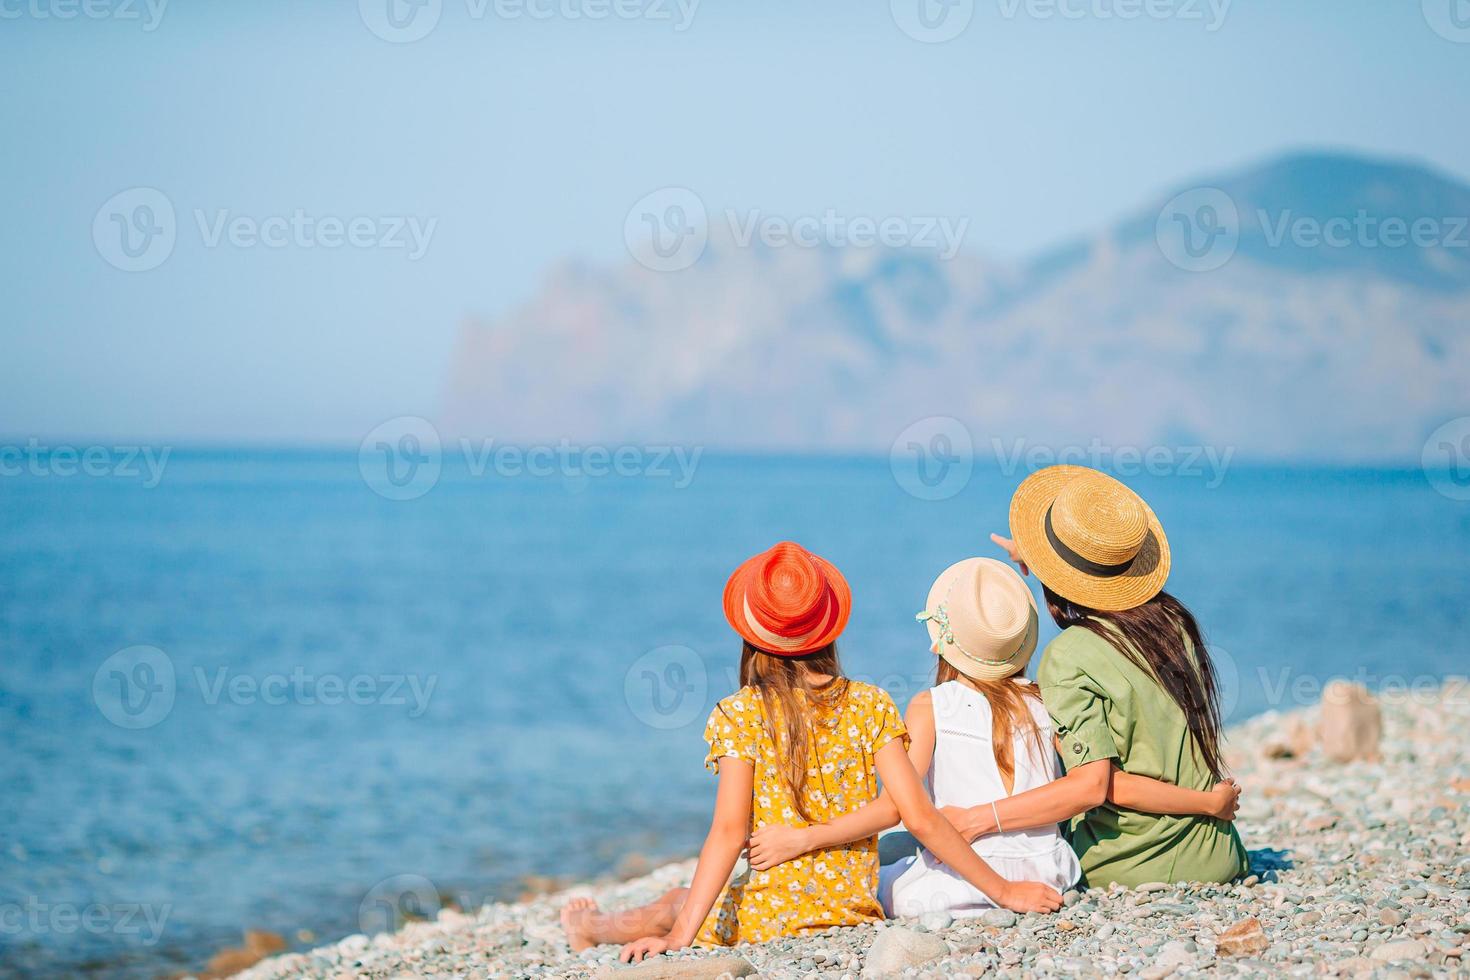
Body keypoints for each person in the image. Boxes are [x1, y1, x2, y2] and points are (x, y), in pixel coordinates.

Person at [560, 541, 1063, 963]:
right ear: (830, 629)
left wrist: (678, 940)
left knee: (675, 902)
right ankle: (597, 924)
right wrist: (1004, 891)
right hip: (854, 906)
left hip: (773, 912)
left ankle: (592, 927)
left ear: (751, 635)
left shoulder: (740, 714)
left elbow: (729, 833)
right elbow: (919, 816)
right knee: (681, 901)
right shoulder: (872, 703)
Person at [746, 555, 1238, 914]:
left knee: (869, 874)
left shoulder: (929, 707)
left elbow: (896, 808)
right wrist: (1205, 803)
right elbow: (1100, 784)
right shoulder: (1046, 700)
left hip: (962, 882)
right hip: (1054, 874)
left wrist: (802, 838)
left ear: (939, 640)